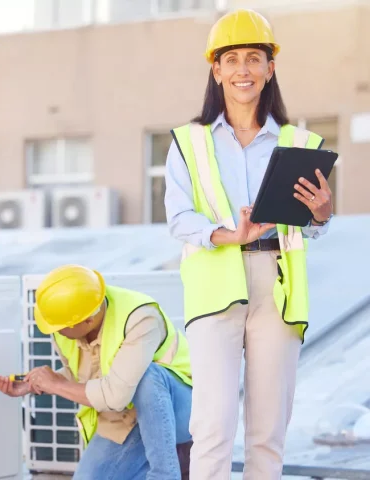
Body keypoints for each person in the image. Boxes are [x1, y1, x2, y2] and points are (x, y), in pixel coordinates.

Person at [163, 8, 333, 480]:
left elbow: (311, 226)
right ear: (215, 70)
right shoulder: (188, 142)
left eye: (254, 59)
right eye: (232, 59)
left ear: (270, 68)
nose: (243, 70)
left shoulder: (300, 141)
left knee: (267, 432)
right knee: (213, 428)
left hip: (276, 288)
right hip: (216, 285)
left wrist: (321, 215)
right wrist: (227, 234)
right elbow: (179, 218)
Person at [0, 264, 193, 480]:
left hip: (181, 409)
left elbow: (116, 395)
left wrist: (57, 385)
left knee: (148, 378)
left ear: (88, 320)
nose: (55, 331)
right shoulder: (68, 327)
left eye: (60, 327)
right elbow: (85, 376)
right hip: (128, 417)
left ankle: (165, 475)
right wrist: (37, 383)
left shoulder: (141, 318)